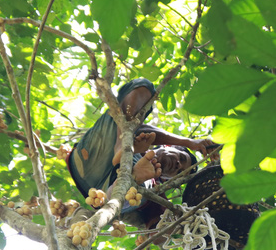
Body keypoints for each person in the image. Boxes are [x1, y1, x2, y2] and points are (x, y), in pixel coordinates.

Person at [66, 78, 219, 223]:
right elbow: (142, 128)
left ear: (167, 180)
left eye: (179, 172)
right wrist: (190, 142)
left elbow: (159, 233)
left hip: (103, 193)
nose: (178, 164)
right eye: (182, 158)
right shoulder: (143, 138)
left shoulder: (157, 193)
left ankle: (131, 177)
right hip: (91, 157)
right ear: (168, 146)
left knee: (144, 189)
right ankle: (124, 145)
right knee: (145, 89)